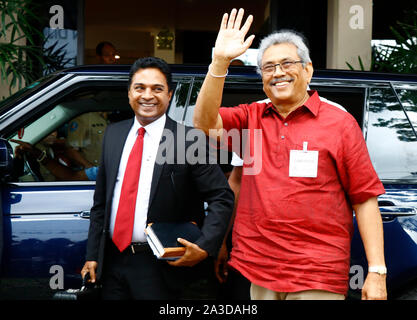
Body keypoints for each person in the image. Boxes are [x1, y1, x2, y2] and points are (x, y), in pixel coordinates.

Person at [193, 8, 387, 300]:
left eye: (287, 63)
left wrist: (377, 272)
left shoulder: (339, 122)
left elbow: (364, 198)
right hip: (259, 269)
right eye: (268, 67)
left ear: (308, 69)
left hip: (317, 273)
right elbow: (205, 123)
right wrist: (220, 61)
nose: (278, 72)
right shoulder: (251, 118)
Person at [81, 57, 234, 299]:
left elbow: (222, 197)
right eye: (140, 88)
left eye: (157, 88)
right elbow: (101, 203)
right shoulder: (114, 133)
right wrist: (93, 255)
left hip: (161, 265)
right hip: (111, 263)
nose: (147, 95)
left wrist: (204, 247)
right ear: (129, 92)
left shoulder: (187, 140)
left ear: (170, 95)